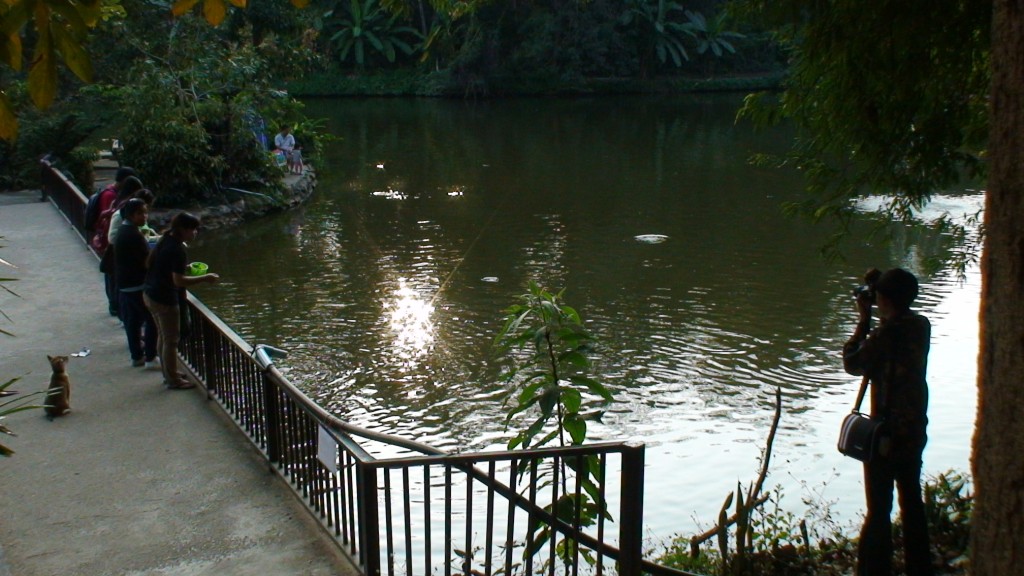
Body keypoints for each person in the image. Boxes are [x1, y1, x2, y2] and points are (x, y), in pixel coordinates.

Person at [842, 268, 933, 576]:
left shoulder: (884, 333)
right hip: (914, 428)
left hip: (885, 435)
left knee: (879, 510)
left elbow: (853, 362)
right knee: (912, 503)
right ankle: (920, 569)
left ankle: (873, 570)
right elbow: (895, 335)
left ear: (883, 299)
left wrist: (863, 320)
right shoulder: (921, 325)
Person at [143, 212, 219, 390]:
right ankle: (172, 379)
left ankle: (169, 372)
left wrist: (184, 269)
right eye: (193, 230)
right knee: (171, 340)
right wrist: (205, 278)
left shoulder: (166, 240)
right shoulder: (177, 249)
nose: (195, 233)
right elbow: (178, 281)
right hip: (164, 299)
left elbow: (160, 266)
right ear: (184, 230)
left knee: (163, 336)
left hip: (149, 293)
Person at [113, 199, 158, 368]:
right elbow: (146, 262)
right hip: (137, 284)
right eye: (141, 213)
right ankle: (151, 356)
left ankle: (137, 356)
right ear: (132, 215)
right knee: (151, 320)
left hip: (125, 284)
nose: (145, 216)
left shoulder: (123, 231)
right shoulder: (134, 234)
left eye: (145, 212)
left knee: (132, 322)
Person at [96, 176, 145, 317]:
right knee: (113, 281)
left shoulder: (120, 204)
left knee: (114, 283)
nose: (145, 216)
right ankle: (116, 308)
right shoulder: (124, 221)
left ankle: (117, 308)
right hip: (115, 255)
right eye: (141, 213)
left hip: (118, 258)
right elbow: (112, 237)